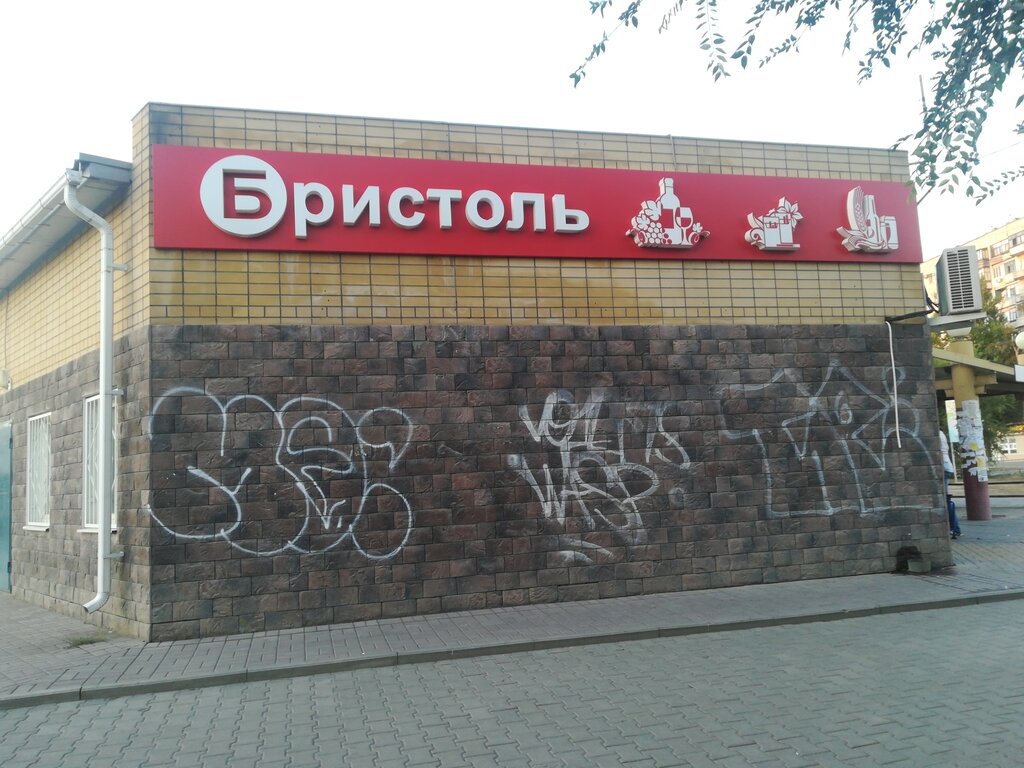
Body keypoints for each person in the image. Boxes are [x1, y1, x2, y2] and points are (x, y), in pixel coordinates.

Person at [940, 429, 962, 539]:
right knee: (946, 500)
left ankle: (954, 528)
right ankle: (955, 528)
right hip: (946, 467)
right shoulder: (941, 433)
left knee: (945, 501)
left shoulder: (936, 434)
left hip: (943, 468)